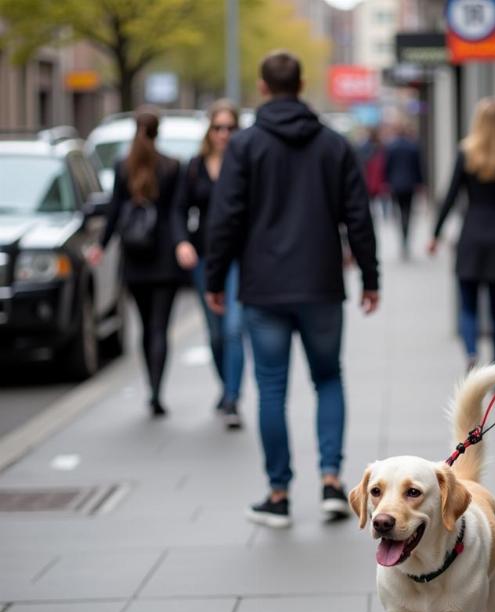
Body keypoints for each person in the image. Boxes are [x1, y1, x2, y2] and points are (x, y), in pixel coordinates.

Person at [205, 50, 379, 529]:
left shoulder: (244, 146)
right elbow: (358, 216)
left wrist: (215, 279)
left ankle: (279, 494)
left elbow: (225, 220)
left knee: (271, 388)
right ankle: (330, 484)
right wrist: (370, 277)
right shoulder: (332, 145)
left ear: (262, 87)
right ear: (301, 83)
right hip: (321, 284)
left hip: (263, 288)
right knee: (328, 378)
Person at [89, 108, 182, 417]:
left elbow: (115, 210)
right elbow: (175, 212)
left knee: (145, 327)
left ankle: (150, 388)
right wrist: (182, 243)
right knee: (160, 328)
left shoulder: (122, 167)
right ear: (158, 132)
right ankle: (157, 389)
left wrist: (101, 246)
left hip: (136, 258)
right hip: (165, 257)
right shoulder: (171, 166)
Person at [428, 98, 495, 370]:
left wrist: (436, 234)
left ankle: (470, 353)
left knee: (467, 305)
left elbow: (451, 195)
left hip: (471, 233)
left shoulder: (466, 152)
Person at [173, 99, 245, 429]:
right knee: (215, 333)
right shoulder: (195, 166)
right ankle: (225, 386)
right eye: (218, 127)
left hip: (240, 256)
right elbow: (178, 209)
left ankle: (232, 397)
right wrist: (182, 243)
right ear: (209, 130)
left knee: (233, 330)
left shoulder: (246, 162)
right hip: (205, 256)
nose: (224, 134)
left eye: (230, 127)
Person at [385, 122, 423, 259]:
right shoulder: (413, 147)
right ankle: (405, 237)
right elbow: (419, 167)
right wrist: (420, 183)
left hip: (396, 185)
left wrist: (387, 182)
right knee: (407, 212)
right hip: (410, 184)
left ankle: (403, 237)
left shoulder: (391, 147)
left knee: (400, 212)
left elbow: (387, 167)